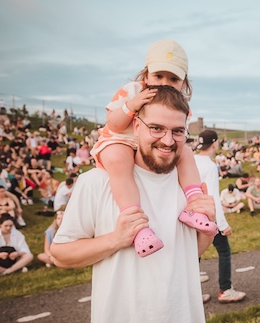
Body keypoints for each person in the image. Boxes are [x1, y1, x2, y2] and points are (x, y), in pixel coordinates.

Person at [50, 86, 215, 323]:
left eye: (178, 131)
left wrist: (208, 224)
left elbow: (191, 253)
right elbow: (60, 254)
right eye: (157, 128)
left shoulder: (188, 187)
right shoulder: (96, 183)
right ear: (136, 125)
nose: (168, 140)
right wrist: (116, 239)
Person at [89, 39, 217, 258]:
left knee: (185, 152)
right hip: (119, 141)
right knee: (119, 158)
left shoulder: (179, 104)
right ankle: (136, 223)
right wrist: (132, 105)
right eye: (158, 76)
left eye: (173, 78)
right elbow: (114, 124)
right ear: (145, 75)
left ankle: (194, 204)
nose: (164, 83)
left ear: (184, 83)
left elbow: (175, 137)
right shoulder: (132, 91)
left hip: (151, 149)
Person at [195, 129, 246, 303]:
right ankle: (225, 289)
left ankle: (191, 293)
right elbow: (213, 197)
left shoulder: (192, 160)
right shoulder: (209, 166)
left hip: (191, 214)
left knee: (194, 253)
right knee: (224, 251)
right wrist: (223, 225)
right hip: (207, 216)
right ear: (215, 143)